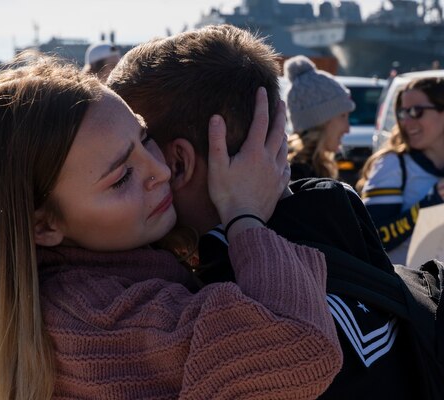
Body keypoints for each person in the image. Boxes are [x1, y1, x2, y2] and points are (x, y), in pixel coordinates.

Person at [0, 52, 342, 400]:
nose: (160, 170)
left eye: (145, 137)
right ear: (43, 226)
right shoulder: (89, 319)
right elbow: (299, 346)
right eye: (120, 178)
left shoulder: (75, 287)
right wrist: (245, 214)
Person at [108, 24, 431, 399]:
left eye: (130, 159)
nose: (135, 171)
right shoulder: (333, 219)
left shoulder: (218, 304)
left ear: (177, 164)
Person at [357, 77, 444, 265]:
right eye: (403, 113)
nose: (407, 122)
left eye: (416, 112)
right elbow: (371, 239)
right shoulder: (392, 165)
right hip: (404, 290)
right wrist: (431, 203)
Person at [284, 55, 355, 181]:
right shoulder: (300, 177)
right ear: (321, 121)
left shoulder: (293, 171)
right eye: (343, 116)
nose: (347, 129)